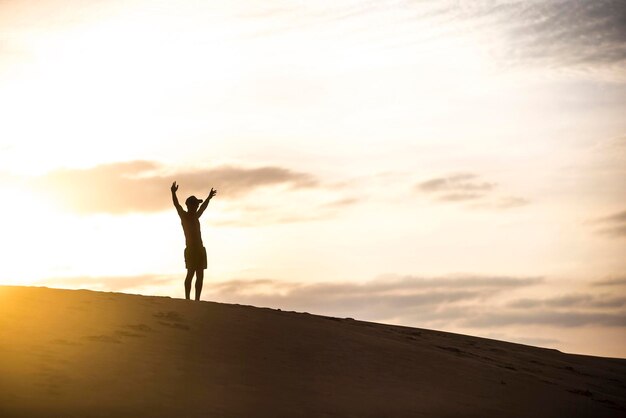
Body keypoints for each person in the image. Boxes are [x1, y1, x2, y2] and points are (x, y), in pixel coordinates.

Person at [171, 181, 217, 300]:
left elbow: (203, 207)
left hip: (199, 249)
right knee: (191, 273)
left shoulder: (196, 216)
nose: (197, 206)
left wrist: (209, 198)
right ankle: (187, 299)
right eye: (195, 204)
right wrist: (173, 193)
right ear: (190, 205)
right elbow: (177, 205)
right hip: (192, 249)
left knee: (200, 275)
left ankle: (197, 299)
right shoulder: (185, 216)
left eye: (197, 204)